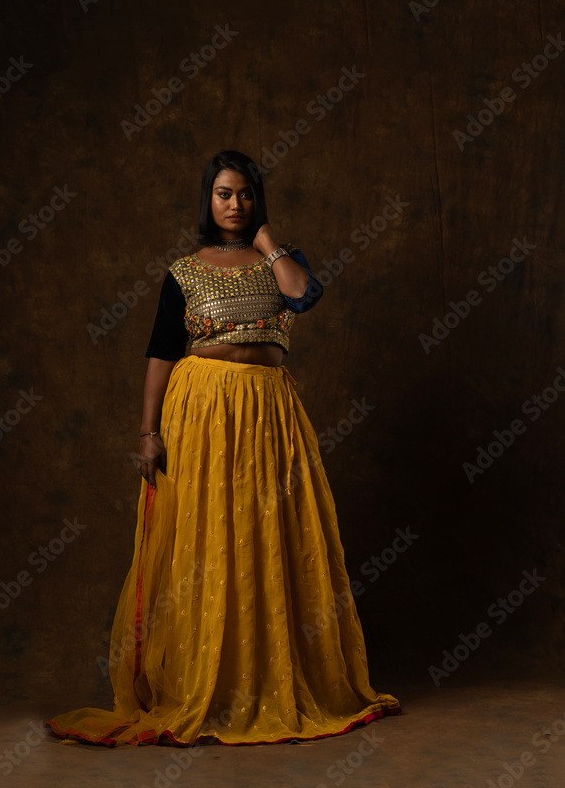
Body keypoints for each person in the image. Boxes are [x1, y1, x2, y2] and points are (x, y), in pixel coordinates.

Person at [46, 149, 401, 747]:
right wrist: (147, 431)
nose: (234, 205)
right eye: (223, 194)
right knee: (206, 538)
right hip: (201, 412)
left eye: (244, 195)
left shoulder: (282, 262)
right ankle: (201, 679)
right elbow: (161, 351)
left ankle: (267, 678)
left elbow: (304, 295)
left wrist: (268, 242)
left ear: (257, 201)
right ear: (208, 200)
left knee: (269, 536)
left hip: (267, 413)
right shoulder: (184, 271)